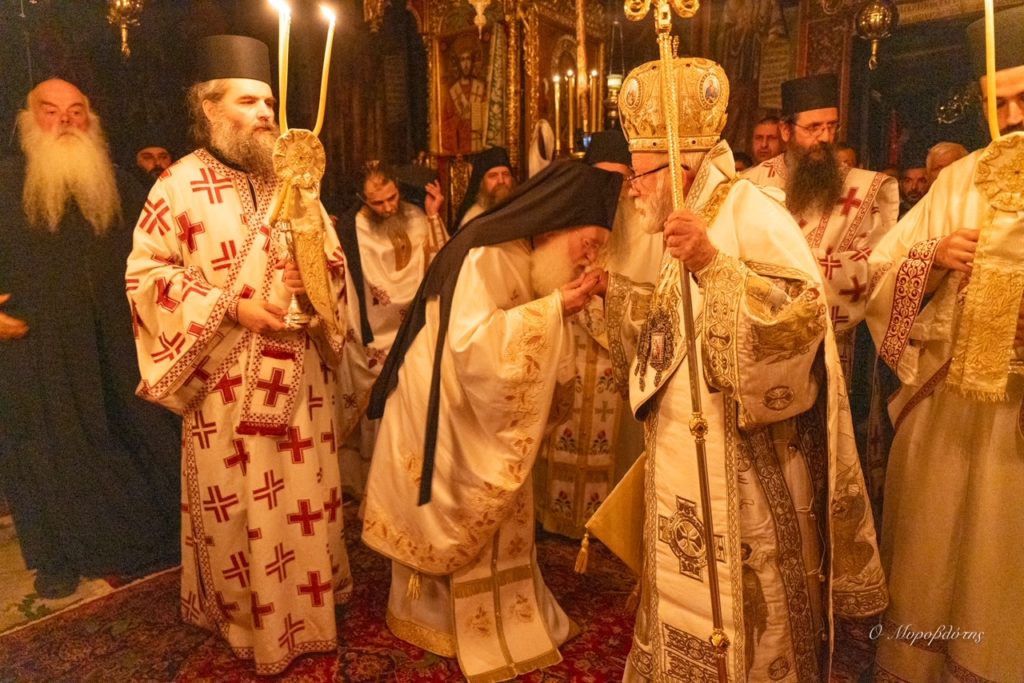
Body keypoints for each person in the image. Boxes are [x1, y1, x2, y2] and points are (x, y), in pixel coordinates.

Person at [607, 57, 886, 681]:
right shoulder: (678, 219)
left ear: (677, 169)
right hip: (679, 453)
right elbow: (665, 333)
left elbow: (799, 319)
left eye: (639, 174)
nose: (633, 188)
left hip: (745, 463)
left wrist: (713, 264)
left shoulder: (748, 211)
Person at [124, 36, 353, 674]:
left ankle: (310, 614)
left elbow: (332, 261)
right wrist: (231, 306)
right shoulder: (178, 185)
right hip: (225, 384)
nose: (265, 113)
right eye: (249, 101)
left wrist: (313, 279)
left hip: (300, 384)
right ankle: (248, 620)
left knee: (301, 499)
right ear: (210, 107)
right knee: (244, 509)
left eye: (269, 102)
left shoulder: (294, 181)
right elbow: (145, 277)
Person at [361, 161, 622, 681]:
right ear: (558, 223)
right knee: (451, 507)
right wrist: (554, 308)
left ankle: (508, 609)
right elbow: (471, 345)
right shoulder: (487, 252)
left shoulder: (527, 250)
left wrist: (558, 307)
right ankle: (434, 617)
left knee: (503, 510)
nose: (588, 257)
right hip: (447, 408)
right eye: (587, 243)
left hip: (483, 413)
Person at [865, 7, 1024, 681]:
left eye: (1023, 99)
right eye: (997, 103)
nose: (1011, 118)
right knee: (942, 544)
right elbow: (880, 275)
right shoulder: (959, 179)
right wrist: (931, 260)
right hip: (952, 410)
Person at [0, 78, 180, 599]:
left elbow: (165, 251)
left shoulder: (119, 182)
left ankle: (144, 541)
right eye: (51, 110)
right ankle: (57, 556)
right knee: (42, 451)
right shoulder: (6, 181)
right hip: (37, 345)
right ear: (27, 121)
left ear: (91, 120)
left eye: (76, 111)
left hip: (117, 342)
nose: (65, 120)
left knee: (136, 431)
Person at [743, 74, 898, 379]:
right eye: (814, 127)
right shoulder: (748, 185)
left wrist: (792, 272)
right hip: (759, 351)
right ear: (785, 130)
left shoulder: (863, 189)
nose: (826, 137)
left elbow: (879, 265)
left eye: (831, 126)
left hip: (835, 349)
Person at [531, 131, 640, 539]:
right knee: (559, 430)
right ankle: (551, 517)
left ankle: (604, 526)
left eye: (619, 179)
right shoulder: (566, 216)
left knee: (609, 450)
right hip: (569, 347)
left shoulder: (645, 227)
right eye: (601, 177)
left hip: (618, 360)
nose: (610, 189)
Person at [334, 161, 447, 496]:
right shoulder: (352, 230)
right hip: (373, 337)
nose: (387, 207)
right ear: (363, 199)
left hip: (414, 332)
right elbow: (356, 285)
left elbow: (441, 264)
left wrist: (434, 216)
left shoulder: (417, 216)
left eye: (391, 198)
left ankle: (408, 483)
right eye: (378, 202)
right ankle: (375, 486)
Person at [441, 35, 487, 155]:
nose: (466, 64)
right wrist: (458, 117)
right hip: (459, 148)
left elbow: (488, 119)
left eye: (468, 59)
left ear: (473, 62)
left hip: (478, 146)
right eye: (462, 60)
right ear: (458, 63)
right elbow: (444, 126)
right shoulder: (452, 92)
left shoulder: (481, 88)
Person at [453, 145, 514, 229]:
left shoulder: (521, 212)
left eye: (506, 174)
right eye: (493, 176)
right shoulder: (473, 219)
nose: (501, 181)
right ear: (482, 183)